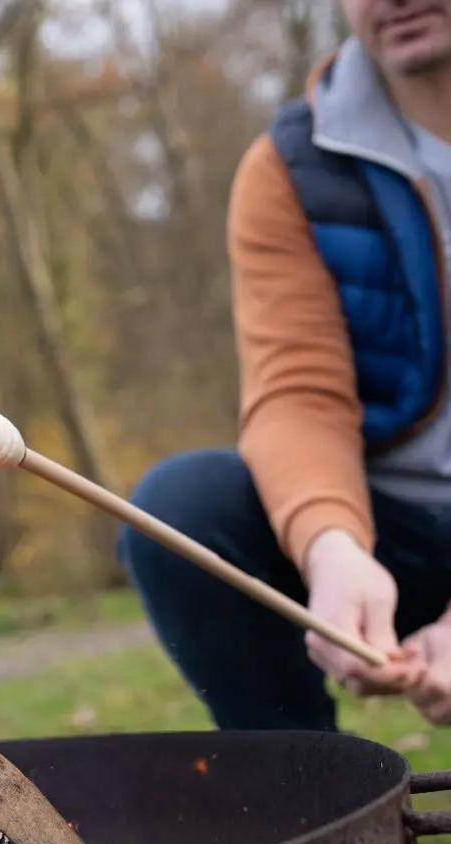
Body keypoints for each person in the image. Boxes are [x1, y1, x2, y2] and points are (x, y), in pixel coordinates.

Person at [121, 0, 451, 730]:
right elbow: (298, 393)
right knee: (185, 508)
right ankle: (308, 793)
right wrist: (331, 546)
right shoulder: (288, 169)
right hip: (387, 530)